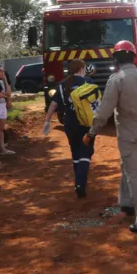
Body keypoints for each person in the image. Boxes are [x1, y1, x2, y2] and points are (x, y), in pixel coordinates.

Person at [83, 40, 137, 234]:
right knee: (128, 166)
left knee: (134, 174)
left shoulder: (116, 80)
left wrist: (92, 132)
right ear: (133, 57)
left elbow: (104, 111)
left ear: (115, 59)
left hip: (129, 135)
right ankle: (126, 202)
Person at [43, 59, 96, 198]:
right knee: (86, 152)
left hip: (70, 122)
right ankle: (80, 184)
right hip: (85, 122)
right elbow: (96, 103)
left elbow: (53, 104)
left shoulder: (61, 85)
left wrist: (47, 121)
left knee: (75, 152)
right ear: (82, 68)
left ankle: (77, 182)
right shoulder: (88, 82)